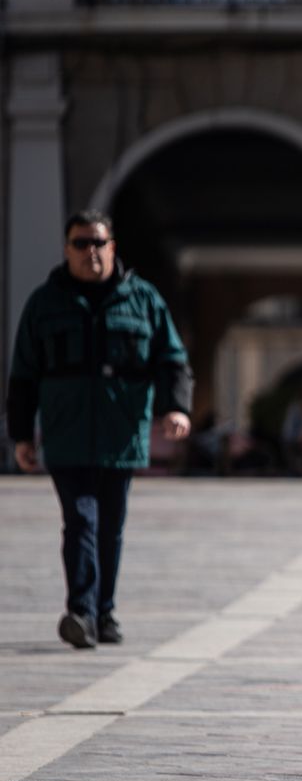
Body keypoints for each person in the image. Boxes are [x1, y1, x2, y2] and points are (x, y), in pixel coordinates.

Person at [5, 210, 192, 649]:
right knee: (81, 521)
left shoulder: (143, 299)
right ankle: (82, 612)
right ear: (66, 250)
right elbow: (23, 376)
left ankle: (104, 612)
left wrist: (176, 409)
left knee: (111, 525)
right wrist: (20, 436)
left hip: (121, 434)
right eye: (81, 243)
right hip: (65, 434)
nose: (91, 251)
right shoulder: (44, 303)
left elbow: (172, 359)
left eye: (99, 243)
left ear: (113, 247)